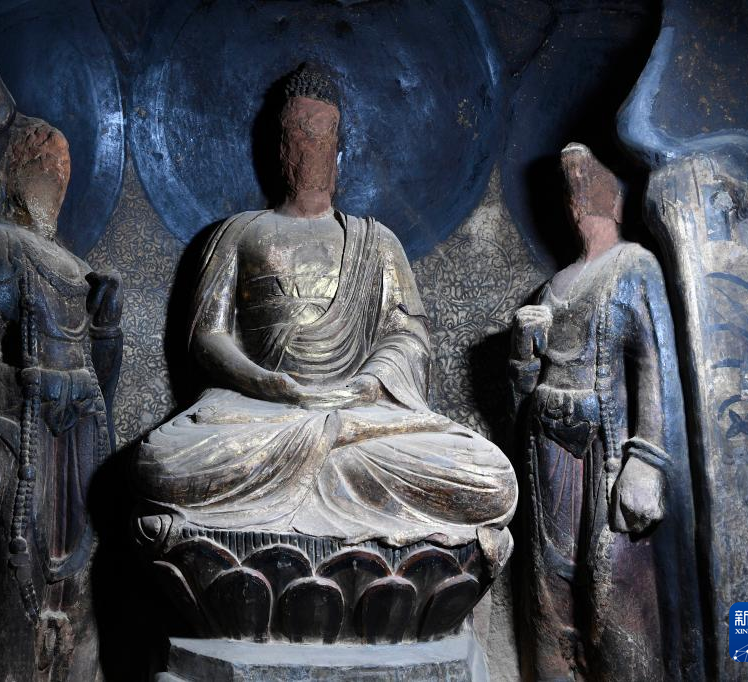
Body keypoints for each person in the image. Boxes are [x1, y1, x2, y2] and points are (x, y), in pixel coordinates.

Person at [132, 65, 517, 549]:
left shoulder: (377, 242)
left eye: (323, 132)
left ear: (339, 149)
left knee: (490, 477)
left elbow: (408, 338)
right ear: (278, 146)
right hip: (260, 414)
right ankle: (329, 483)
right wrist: (264, 382)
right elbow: (208, 336)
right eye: (298, 131)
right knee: (159, 461)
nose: (309, 144)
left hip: (362, 416)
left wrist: (368, 383)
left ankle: (314, 478)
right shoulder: (238, 233)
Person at [0, 115, 122, 681]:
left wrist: (107, 325)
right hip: (19, 440)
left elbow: (102, 382)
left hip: (77, 446)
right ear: (12, 169)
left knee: (73, 599)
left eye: (63, 166)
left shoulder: (78, 269)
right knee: (13, 588)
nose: (55, 173)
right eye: (43, 160)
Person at [509, 142, 693, 680]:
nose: (577, 197)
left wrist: (647, 460)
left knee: (613, 585)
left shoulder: (634, 266)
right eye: (569, 186)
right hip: (547, 456)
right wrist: (522, 353)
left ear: (614, 199)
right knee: (551, 583)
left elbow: (655, 367)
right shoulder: (553, 286)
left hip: (605, 456)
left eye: (586, 180)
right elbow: (523, 393)